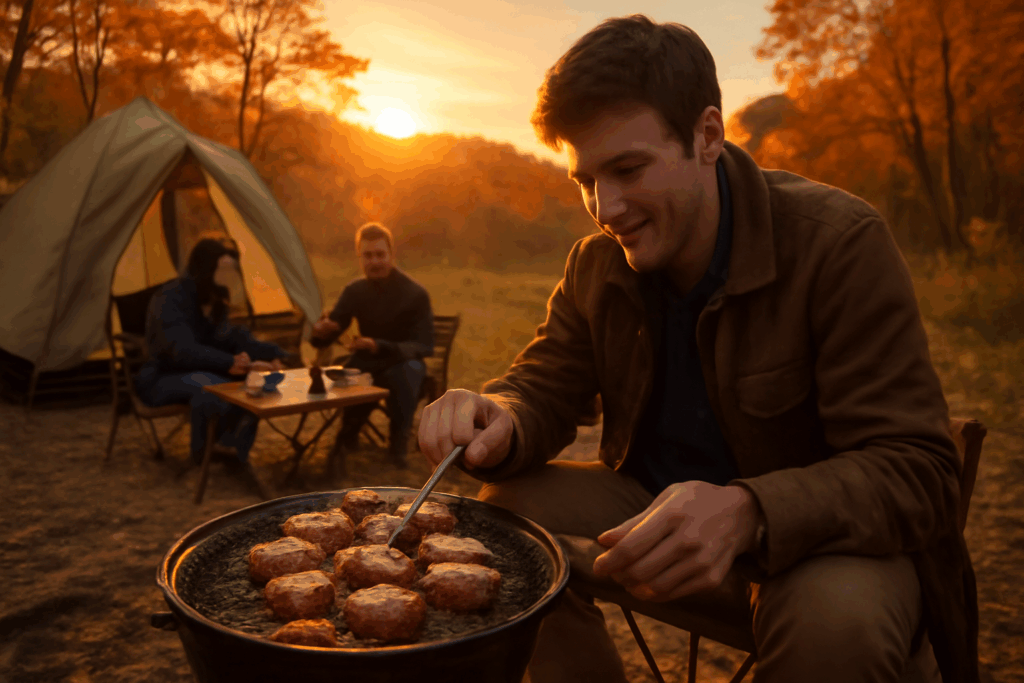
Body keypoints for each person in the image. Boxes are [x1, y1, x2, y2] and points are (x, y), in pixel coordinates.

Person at [417, 15, 977, 683]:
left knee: (838, 630)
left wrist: (749, 510)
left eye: (628, 168)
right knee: (499, 520)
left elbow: (920, 471)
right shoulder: (597, 264)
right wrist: (499, 413)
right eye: (586, 180)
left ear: (708, 135)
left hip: (823, 543)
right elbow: (544, 382)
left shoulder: (838, 242)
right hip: (649, 506)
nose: (606, 207)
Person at [135, 237, 287, 472]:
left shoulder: (214, 300)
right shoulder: (170, 298)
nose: (230, 276)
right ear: (206, 269)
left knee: (253, 384)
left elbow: (236, 338)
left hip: (203, 371)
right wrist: (228, 362)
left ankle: (232, 449)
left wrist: (280, 356)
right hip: (162, 376)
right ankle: (205, 453)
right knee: (214, 387)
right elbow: (180, 350)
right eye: (223, 269)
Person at [310, 222, 433, 464]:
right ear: (360, 257)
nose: (374, 261)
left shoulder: (414, 293)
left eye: (380, 254)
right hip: (368, 361)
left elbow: (424, 345)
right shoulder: (355, 290)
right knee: (351, 371)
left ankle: (398, 444)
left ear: (391, 255)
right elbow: (332, 329)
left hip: (403, 361)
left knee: (405, 373)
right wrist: (322, 332)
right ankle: (348, 435)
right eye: (368, 255)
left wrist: (379, 345)